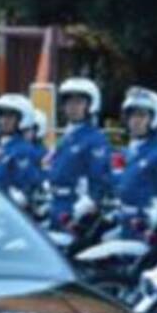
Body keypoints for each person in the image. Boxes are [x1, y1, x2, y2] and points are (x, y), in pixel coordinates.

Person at [47, 77, 112, 228]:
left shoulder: (94, 139)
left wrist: (88, 202)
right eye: (69, 102)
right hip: (55, 203)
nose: (72, 107)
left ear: (90, 105)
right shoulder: (66, 137)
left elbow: (100, 178)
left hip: (75, 208)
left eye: (78, 102)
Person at [115, 86, 157, 239]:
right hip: (123, 221)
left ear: (155, 118)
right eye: (131, 115)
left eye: (142, 115)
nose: (135, 121)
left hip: (146, 226)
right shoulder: (129, 149)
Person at [0, 94, 42, 203]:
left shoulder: (23, 150)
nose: (3, 121)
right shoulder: (0, 147)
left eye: (10, 117)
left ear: (22, 120)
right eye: (1, 116)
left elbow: (26, 187)